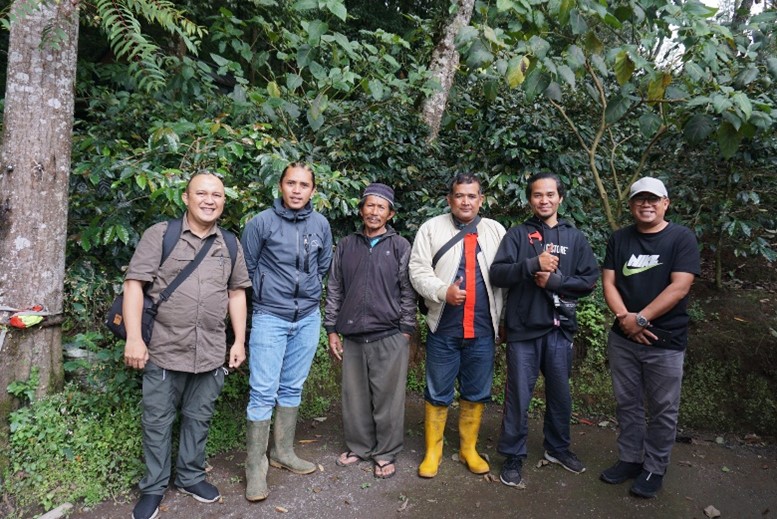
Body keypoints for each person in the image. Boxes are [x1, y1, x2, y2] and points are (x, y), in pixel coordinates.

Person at [123, 171, 251, 519]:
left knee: (199, 418)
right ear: (186, 198)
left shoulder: (230, 243)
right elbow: (134, 285)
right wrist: (134, 338)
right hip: (163, 349)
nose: (210, 200)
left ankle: (191, 476)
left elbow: (236, 292)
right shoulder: (161, 235)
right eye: (202, 193)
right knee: (157, 421)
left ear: (224, 201)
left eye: (217, 195)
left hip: (210, 352)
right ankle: (153, 487)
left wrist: (238, 340)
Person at [490, 172, 599, 488]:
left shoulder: (575, 238)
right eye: (537, 195)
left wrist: (557, 282)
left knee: (560, 396)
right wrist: (531, 265)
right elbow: (498, 274)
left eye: (550, 194)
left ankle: (557, 448)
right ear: (530, 199)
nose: (544, 200)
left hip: (559, 329)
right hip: (523, 330)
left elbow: (589, 280)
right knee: (518, 397)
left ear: (560, 198)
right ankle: (513, 454)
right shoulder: (518, 235)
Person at [599, 177, 700, 498]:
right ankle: (630, 458)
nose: (646, 204)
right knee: (627, 403)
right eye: (639, 199)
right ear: (630, 205)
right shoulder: (620, 239)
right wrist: (625, 320)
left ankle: (655, 466)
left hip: (665, 340)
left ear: (665, 203)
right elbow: (609, 283)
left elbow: (680, 286)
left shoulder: (681, 238)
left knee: (663, 408)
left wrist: (641, 319)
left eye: (653, 199)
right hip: (623, 339)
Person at [240, 162, 333, 502]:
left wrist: (308, 298)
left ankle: (283, 451)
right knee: (263, 391)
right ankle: (255, 467)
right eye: (291, 183)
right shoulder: (261, 223)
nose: (297, 190)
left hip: (307, 317)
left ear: (313, 190)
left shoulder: (321, 224)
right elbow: (246, 269)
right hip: (269, 317)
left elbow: (323, 267)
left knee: (292, 386)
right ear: (280, 186)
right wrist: (268, 295)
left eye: (303, 184)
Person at [409, 172, 506, 478]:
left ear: (481, 199)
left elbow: (506, 279)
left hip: (483, 329)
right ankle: (433, 451)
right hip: (444, 327)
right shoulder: (431, 229)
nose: (466, 201)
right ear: (449, 199)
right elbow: (417, 270)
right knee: (438, 390)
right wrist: (442, 291)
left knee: (476, 391)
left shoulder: (496, 230)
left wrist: (503, 321)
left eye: (472, 196)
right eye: (459, 196)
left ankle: (468, 449)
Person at [324, 183, 416, 479]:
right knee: (355, 398)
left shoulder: (400, 246)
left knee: (388, 400)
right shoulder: (347, 245)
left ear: (390, 214)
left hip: (389, 334)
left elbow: (408, 291)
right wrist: (332, 329)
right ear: (361, 209)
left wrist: (405, 330)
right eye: (369, 205)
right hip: (351, 334)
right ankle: (360, 446)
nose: (374, 212)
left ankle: (386, 452)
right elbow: (335, 287)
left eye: (381, 207)